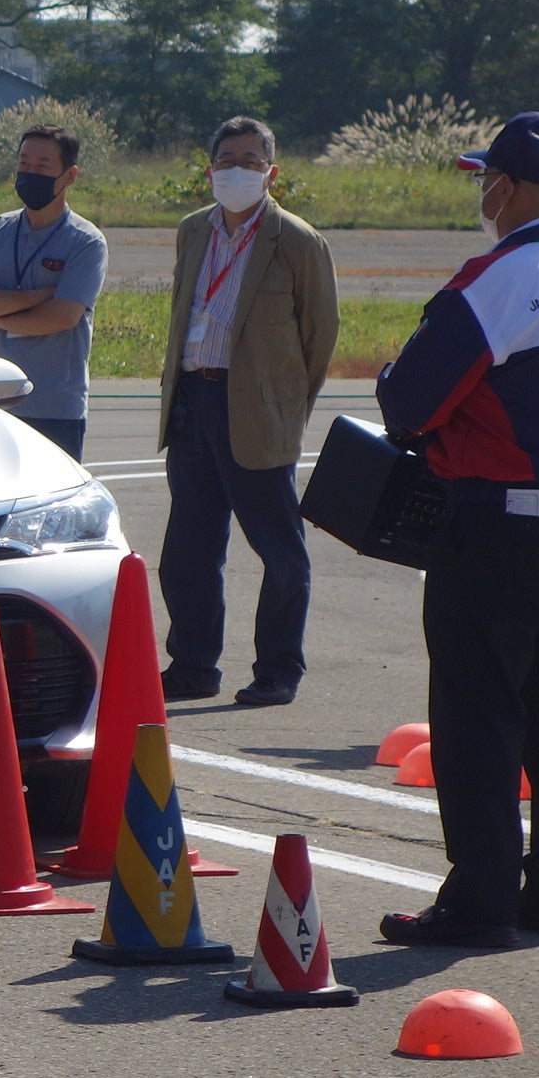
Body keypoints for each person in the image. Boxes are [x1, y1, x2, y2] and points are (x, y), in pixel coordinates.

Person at [374, 112, 539, 947]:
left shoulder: (499, 278)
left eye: (486, 178)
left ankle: (482, 896)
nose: (483, 193)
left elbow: (408, 401)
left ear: (510, 187)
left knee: (479, 711)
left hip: (503, 524)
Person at [155, 116, 338, 709]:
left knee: (279, 549)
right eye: (227, 159)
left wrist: (285, 409)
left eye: (252, 160)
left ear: (272, 172)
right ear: (210, 169)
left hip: (256, 409)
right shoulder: (192, 231)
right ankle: (192, 664)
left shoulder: (298, 241)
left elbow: (319, 336)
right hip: (193, 403)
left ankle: (279, 668)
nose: (238, 169)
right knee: (188, 549)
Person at [0, 125, 108, 461]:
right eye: (24, 163)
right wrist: (38, 296)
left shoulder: (86, 242)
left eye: (42, 166)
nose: (30, 173)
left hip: (55, 407)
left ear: (69, 175)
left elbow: (62, 317)